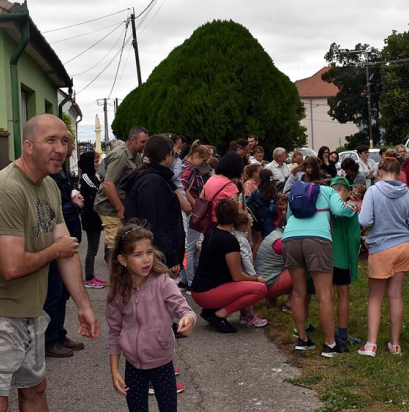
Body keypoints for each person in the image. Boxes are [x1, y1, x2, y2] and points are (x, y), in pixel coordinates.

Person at [0, 114, 99, 410]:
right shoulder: (6, 189)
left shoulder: (47, 186)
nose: (61, 148)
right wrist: (55, 250)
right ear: (28, 146)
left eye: (64, 141)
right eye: (51, 141)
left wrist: (85, 307)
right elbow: (12, 267)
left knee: (35, 391)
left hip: (31, 311)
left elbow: (67, 251)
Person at [106, 224, 196, 412]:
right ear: (123, 260)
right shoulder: (117, 292)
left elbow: (184, 308)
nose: (146, 259)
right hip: (133, 366)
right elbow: (114, 332)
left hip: (162, 364)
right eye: (137, 255)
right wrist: (114, 369)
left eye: (149, 252)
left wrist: (188, 318)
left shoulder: (163, 282)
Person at [282, 174, 357, 357]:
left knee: (299, 292)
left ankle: (303, 339)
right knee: (325, 295)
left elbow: (288, 216)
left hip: (290, 239)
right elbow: (340, 211)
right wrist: (353, 207)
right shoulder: (328, 191)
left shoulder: (296, 193)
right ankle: (330, 344)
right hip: (317, 239)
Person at [357, 157, 409, 357]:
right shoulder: (407, 193)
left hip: (381, 248)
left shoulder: (374, 191)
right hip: (403, 247)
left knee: (375, 297)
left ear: (381, 172)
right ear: (398, 173)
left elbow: (365, 220)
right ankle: (395, 345)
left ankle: (371, 344)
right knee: (396, 296)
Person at [191, 200, 268, 333]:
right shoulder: (229, 241)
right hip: (209, 292)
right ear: (234, 217)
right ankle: (219, 315)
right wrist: (256, 279)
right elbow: (237, 275)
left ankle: (212, 311)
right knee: (260, 289)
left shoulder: (211, 231)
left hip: (198, 289)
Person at [45, 139, 86, 358]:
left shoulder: (61, 171)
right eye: (57, 140)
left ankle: (59, 335)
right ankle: (50, 341)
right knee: (53, 295)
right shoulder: (49, 175)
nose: (63, 147)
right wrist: (74, 206)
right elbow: (52, 212)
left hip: (66, 240)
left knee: (61, 295)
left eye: (65, 141)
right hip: (55, 245)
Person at [122, 135, 185, 275]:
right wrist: (170, 257)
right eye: (172, 154)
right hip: (156, 258)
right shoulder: (153, 182)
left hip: (152, 253)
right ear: (167, 156)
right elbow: (155, 223)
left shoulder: (151, 177)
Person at [95, 126, 148, 261]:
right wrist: (120, 208)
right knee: (116, 249)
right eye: (142, 142)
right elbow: (108, 184)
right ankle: (115, 280)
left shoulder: (134, 156)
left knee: (123, 247)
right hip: (110, 208)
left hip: (118, 207)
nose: (145, 145)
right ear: (132, 140)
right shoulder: (121, 154)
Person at [329, 176, 363, 348]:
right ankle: (341, 334)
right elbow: (354, 236)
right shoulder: (349, 207)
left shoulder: (324, 207)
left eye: (339, 190)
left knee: (327, 295)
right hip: (340, 258)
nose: (337, 193)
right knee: (342, 294)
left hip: (326, 257)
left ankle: (331, 333)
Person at [180, 142, 211, 290]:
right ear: (197, 156)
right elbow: (182, 186)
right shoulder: (191, 169)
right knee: (190, 249)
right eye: (203, 161)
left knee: (186, 247)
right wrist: (195, 204)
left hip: (187, 211)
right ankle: (192, 283)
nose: (204, 164)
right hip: (191, 212)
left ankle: (184, 280)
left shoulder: (184, 165)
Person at [233, 213, 268, 328]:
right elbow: (245, 258)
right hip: (245, 272)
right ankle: (250, 316)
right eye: (249, 225)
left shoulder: (235, 237)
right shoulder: (241, 240)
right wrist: (253, 274)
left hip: (241, 270)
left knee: (242, 294)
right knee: (249, 294)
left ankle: (243, 315)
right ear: (244, 226)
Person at [80, 151, 105, 288]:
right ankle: (88, 278)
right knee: (91, 248)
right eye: (95, 162)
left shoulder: (92, 176)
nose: (97, 164)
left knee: (94, 248)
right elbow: (97, 191)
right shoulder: (85, 177)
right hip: (90, 216)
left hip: (95, 216)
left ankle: (92, 275)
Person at [202, 152, 244, 224]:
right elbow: (234, 210)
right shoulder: (230, 186)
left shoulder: (211, 179)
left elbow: (202, 197)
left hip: (208, 221)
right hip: (222, 223)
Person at [254, 229, 293, 305]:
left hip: (263, 280)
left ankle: (271, 300)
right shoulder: (282, 241)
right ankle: (291, 303)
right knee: (301, 269)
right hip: (268, 284)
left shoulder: (275, 234)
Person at [247, 169, 278, 239]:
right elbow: (273, 209)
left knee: (260, 240)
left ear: (261, 179)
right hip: (270, 218)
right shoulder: (274, 191)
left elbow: (247, 203)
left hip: (260, 218)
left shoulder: (256, 192)